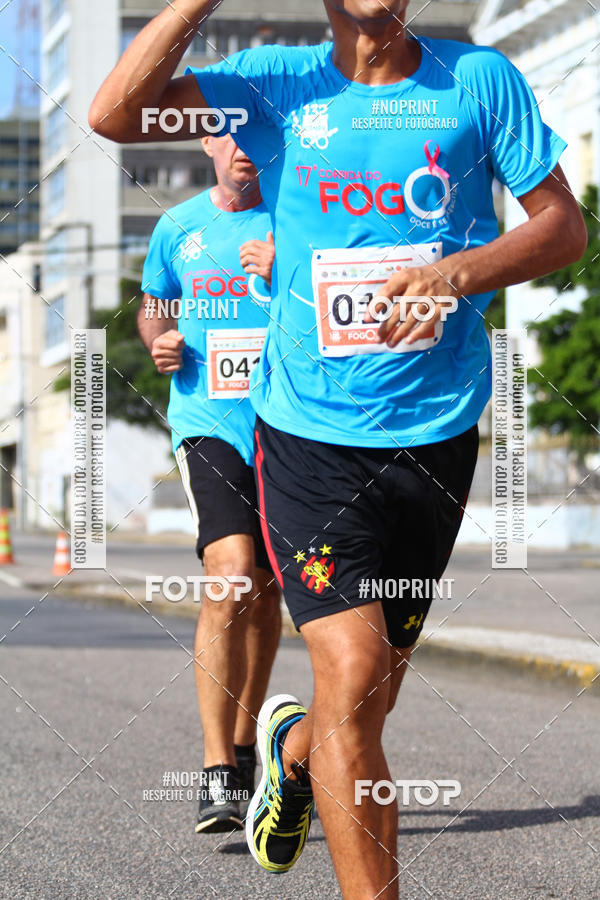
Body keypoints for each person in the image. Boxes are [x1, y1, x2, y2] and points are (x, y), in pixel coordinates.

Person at [91, 2, 587, 895]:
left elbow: (564, 227)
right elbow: (116, 115)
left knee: (368, 695)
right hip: (306, 436)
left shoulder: (478, 79)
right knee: (353, 671)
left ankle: (289, 749)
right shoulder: (275, 83)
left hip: (436, 433)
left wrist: (456, 273)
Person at [138, 132, 281, 834]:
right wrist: (158, 340)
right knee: (230, 572)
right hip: (209, 422)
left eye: (255, 129)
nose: (243, 145)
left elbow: (344, 299)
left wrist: (287, 269)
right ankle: (217, 767)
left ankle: (247, 743)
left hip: (290, 426)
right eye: (228, 130)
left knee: (266, 590)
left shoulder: (297, 213)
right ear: (206, 142)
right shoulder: (178, 225)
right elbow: (153, 304)